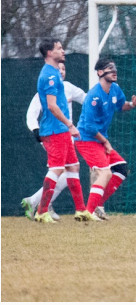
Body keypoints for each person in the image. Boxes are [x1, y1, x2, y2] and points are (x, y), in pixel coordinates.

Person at [33, 38, 95, 223]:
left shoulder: (54, 73)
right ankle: (41, 211)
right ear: (50, 53)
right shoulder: (50, 76)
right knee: (56, 169)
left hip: (61, 130)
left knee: (73, 166)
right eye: (59, 48)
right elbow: (52, 106)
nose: (63, 51)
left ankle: (81, 210)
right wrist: (70, 125)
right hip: (54, 130)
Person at [75, 58, 136, 218]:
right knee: (105, 173)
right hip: (86, 140)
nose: (114, 71)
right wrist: (105, 142)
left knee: (121, 169)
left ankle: (97, 205)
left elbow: (121, 106)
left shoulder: (115, 89)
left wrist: (133, 104)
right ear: (100, 73)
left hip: (99, 140)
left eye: (115, 68)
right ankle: (88, 212)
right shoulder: (93, 96)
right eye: (109, 68)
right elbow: (90, 127)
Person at [21, 62, 86, 221]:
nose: (61, 71)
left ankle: (39, 203)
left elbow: (86, 98)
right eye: (58, 69)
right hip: (52, 134)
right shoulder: (46, 89)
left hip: (66, 135)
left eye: (64, 68)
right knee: (61, 170)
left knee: (68, 171)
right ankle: (42, 206)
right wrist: (35, 129)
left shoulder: (68, 87)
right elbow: (32, 113)